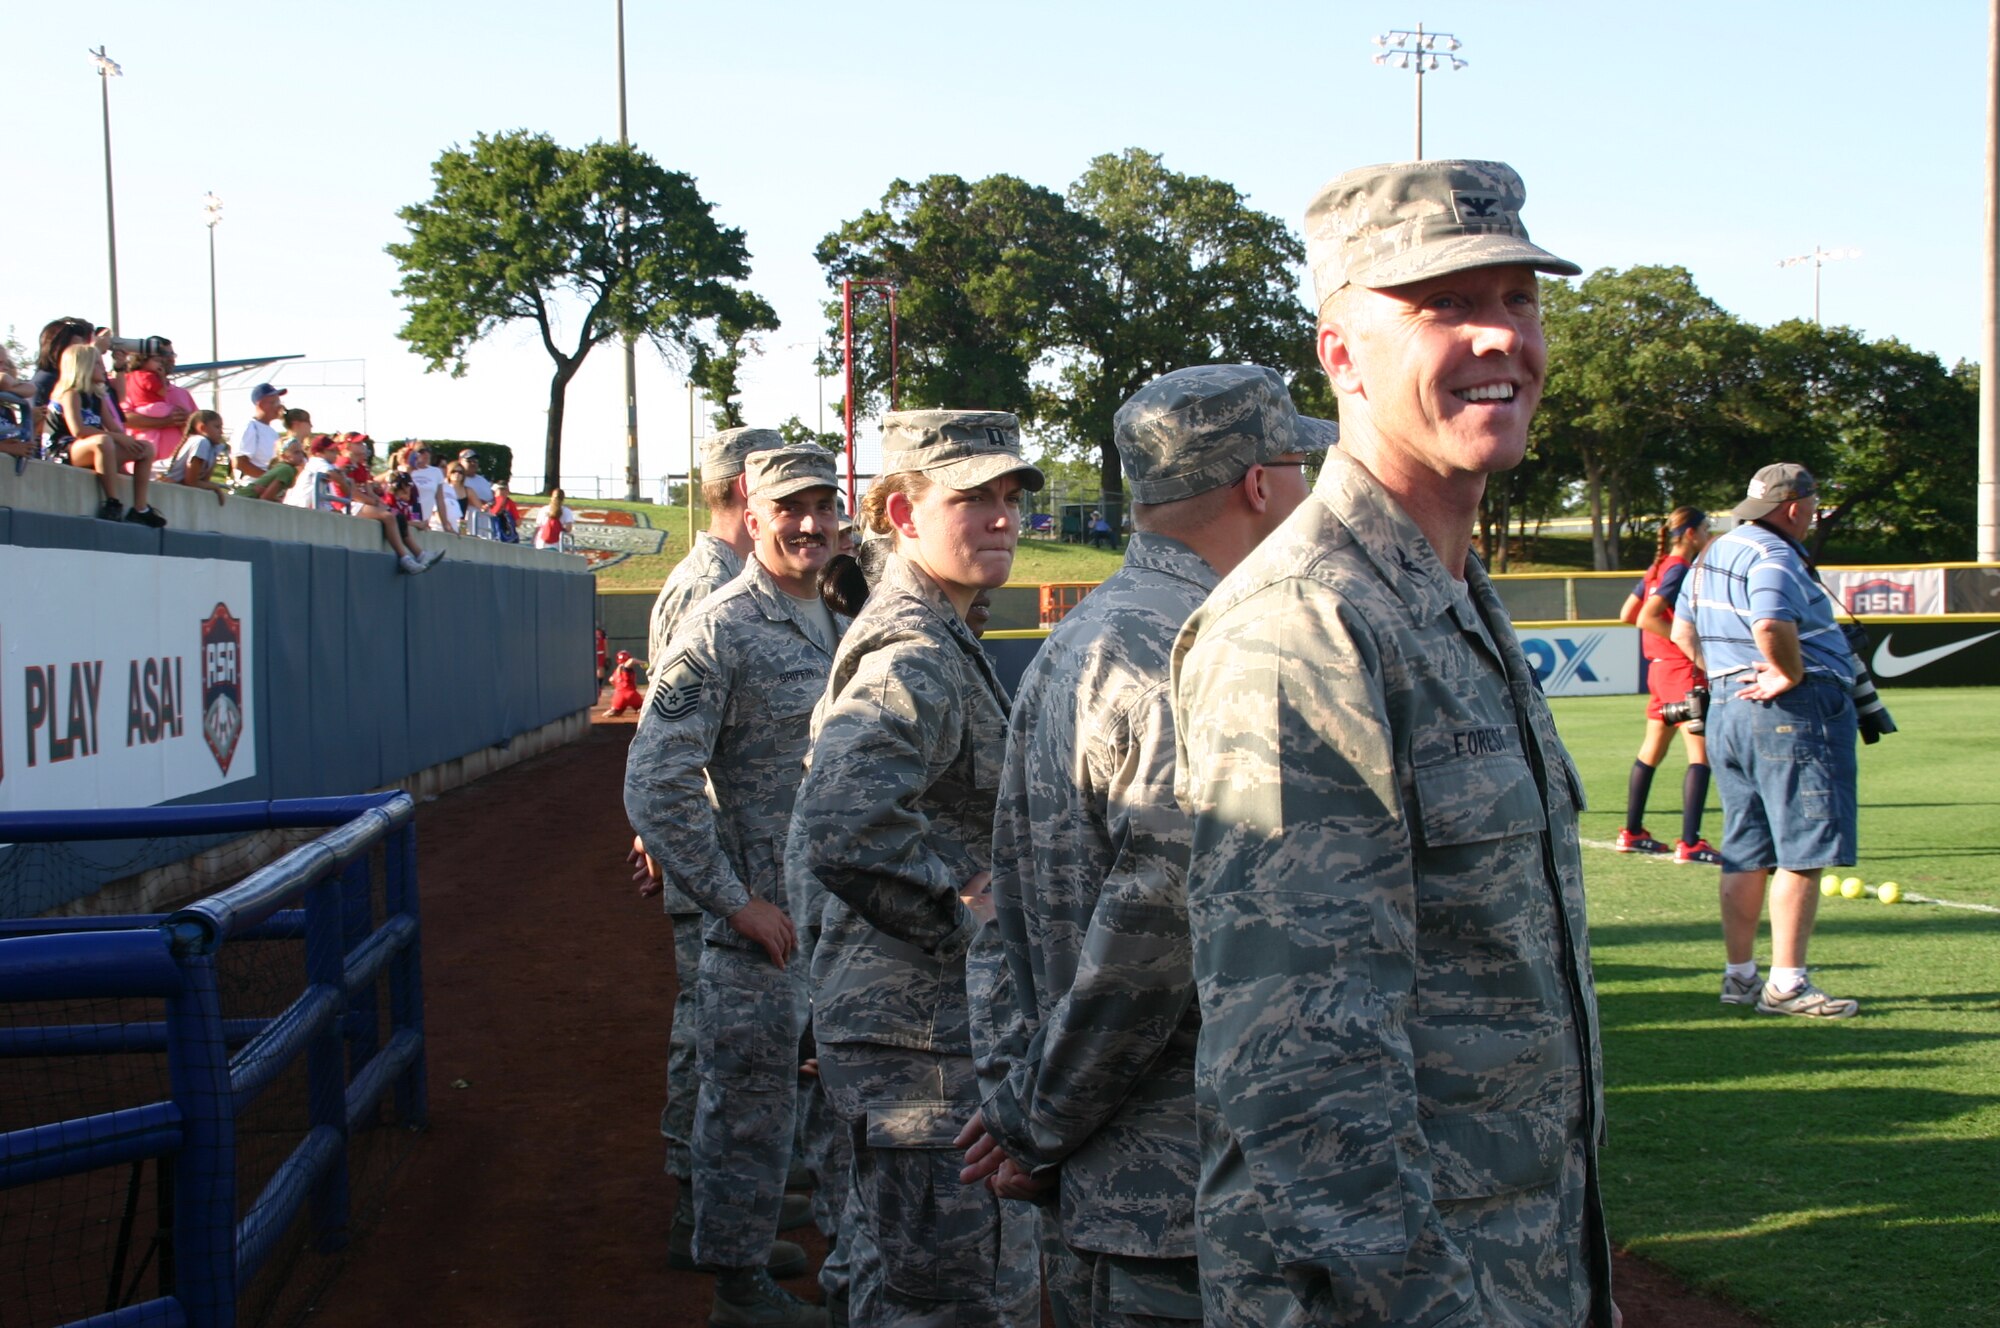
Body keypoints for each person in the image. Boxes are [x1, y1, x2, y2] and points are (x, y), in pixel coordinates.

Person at [1173, 160, 1617, 1327]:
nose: (1497, 336)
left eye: (1516, 298)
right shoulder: (1305, 624)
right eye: (1440, 304)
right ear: (1339, 351)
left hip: (1512, 1269)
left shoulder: (1444, 591)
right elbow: (1302, 1069)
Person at [965, 365, 1325, 1328]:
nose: (1312, 489)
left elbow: (1005, 914)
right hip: (1179, 1194)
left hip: (1110, 1171)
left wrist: (1025, 1105)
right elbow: (1149, 946)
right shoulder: (1193, 653)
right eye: (1301, 463)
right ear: (1258, 483)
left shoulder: (1087, 637)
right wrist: (1036, 1123)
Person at [789, 410, 1044, 1328]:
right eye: (973, 497)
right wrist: (970, 906)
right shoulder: (915, 652)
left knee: (910, 1290)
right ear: (903, 511)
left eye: (1010, 497)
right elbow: (843, 815)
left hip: (913, 1035)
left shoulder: (934, 633)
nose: (1002, 518)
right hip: (923, 1047)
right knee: (957, 1303)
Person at [626, 444, 845, 1328]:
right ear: (751, 516)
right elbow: (655, 778)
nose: (810, 524)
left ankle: (772, 1256)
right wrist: (730, 898)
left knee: (807, 1101)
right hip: (762, 922)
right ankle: (739, 1286)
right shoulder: (720, 625)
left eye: (824, 506)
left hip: (829, 914)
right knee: (748, 1107)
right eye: (790, 508)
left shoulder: (838, 612)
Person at [1672, 463, 1861, 1020]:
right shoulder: (1774, 554)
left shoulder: (1714, 553)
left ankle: (1740, 977)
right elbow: (1771, 623)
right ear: (1797, 507)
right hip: (1790, 712)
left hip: (1730, 709)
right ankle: (1788, 984)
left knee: (1745, 849)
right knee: (1802, 848)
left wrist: (1727, 677)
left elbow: (1682, 630)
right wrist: (1788, 674)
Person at [1614, 508, 1721, 864]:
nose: (1708, 534)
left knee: (1652, 751)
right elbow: (1647, 616)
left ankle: (1632, 832)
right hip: (1682, 671)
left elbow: (1628, 614)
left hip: (1659, 671)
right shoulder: (1679, 569)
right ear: (1690, 533)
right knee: (1700, 756)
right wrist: (1685, 643)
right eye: (1706, 528)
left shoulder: (1657, 567)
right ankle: (1691, 843)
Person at [50, 343, 166, 526]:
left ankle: (140, 508)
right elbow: (79, 431)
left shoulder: (97, 396)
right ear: (83, 367)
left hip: (95, 445)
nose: (103, 368)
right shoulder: (70, 394)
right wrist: (117, 438)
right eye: (97, 364)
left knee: (145, 448)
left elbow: (115, 428)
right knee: (103, 441)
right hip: (65, 448)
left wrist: (126, 440)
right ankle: (112, 501)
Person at [163, 409, 231, 502]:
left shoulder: (214, 448)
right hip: (156, 478)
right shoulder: (201, 442)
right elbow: (191, 482)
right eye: (217, 427)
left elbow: (203, 482)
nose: (221, 432)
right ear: (202, 428)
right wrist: (216, 488)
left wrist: (213, 487)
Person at [233, 383, 287, 481]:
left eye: (279, 402)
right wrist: (270, 479)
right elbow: (240, 463)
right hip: (251, 490)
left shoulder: (273, 433)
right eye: (274, 402)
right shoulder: (249, 426)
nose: (279, 407)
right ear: (261, 404)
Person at [459, 449, 496, 537]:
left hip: (484, 522)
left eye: (475, 461)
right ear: (460, 461)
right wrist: (480, 503)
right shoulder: (459, 479)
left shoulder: (482, 480)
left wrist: (491, 502)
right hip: (468, 520)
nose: (473, 463)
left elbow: (491, 497)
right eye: (469, 461)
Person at [604, 649, 646, 716]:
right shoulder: (625, 667)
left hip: (619, 695)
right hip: (631, 694)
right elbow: (632, 661)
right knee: (644, 708)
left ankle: (614, 710)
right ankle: (640, 709)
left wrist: (619, 685)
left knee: (616, 711)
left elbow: (611, 680)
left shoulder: (616, 671)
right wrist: (642, 663)